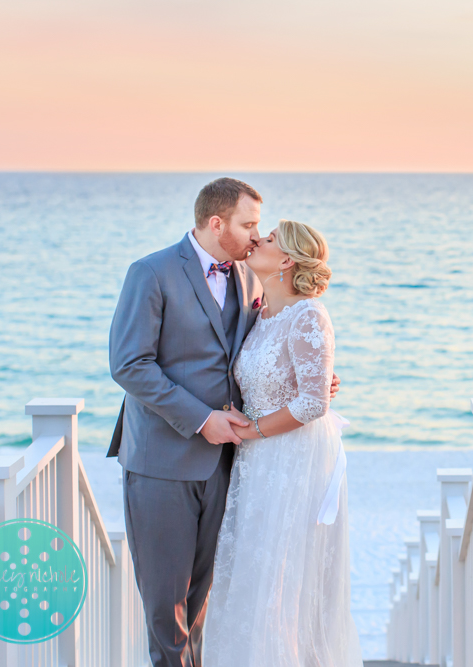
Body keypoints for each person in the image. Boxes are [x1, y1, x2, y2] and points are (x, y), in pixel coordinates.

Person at [107, 178, 340, 667]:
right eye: (248, 225)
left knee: (203, 609)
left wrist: (315, 378)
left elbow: (266, 349)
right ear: (217, 224)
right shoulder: (151, 272)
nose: (256, 237)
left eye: (260, 228)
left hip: (231, 466)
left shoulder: (251, 277)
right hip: (163, 462)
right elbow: (130, 365)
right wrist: (200, 419)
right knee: (164, 610)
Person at [202, 218, 362, 665]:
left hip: (293, 458)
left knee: (283, 580)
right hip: (257, 461)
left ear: (287, 259)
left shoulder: (309, 314)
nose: (257, 239)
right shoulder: (261, 312)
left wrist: (249, 430)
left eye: (268, 238)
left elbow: (313, 403)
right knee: (251, 576)